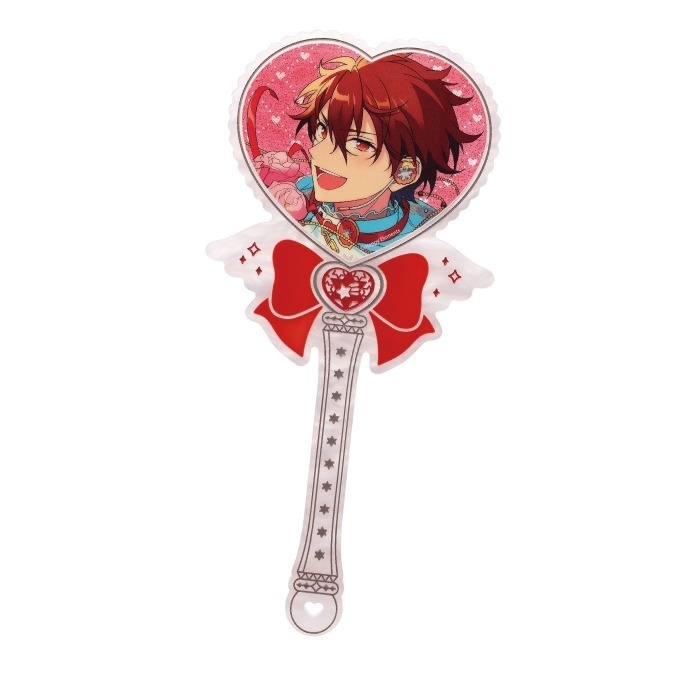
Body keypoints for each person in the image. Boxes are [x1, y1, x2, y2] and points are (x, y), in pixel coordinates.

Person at [290, 53, 480, 259]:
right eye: (323, 129)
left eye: (360, 143)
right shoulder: (296, 195)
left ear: (405, 171)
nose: (317, 152)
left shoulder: (422, 230)